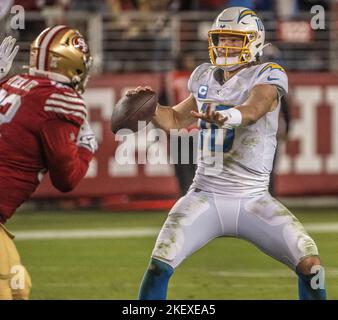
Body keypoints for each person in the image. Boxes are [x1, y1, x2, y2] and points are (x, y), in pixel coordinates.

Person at [132, 7, 326, 300]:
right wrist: (147, 109)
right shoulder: (204, 78)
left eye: (235, 40)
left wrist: (229, 116)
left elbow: (255, 108)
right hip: (204, 194)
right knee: (159, 265)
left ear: (254, 42)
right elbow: (173, 119)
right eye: (222, 39)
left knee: (311, 266)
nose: (226, 46)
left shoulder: (268, 74)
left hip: (253, 199)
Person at [0, 26, 98, 299]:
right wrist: (87, 147)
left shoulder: (12, 83)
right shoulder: (62, 100)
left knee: (19, 286)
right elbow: (66, 180)